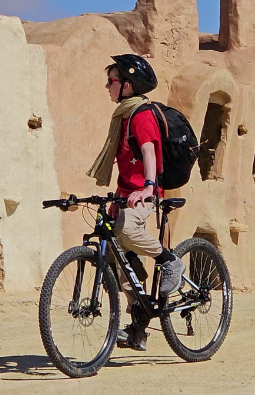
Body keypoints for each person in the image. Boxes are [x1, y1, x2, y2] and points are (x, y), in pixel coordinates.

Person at [86, 53, 185, 351]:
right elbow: (125, 164)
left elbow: (149, 152)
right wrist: (118, 197)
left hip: (145, 192)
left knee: (127, 231)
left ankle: (170, 261)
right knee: (114, 251)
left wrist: (150, 186)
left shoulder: (141, 115)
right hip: (126, 192)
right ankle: (139, 320)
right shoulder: (123, 116)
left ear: (126, 85)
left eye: (111, 81)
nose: (107, 86)